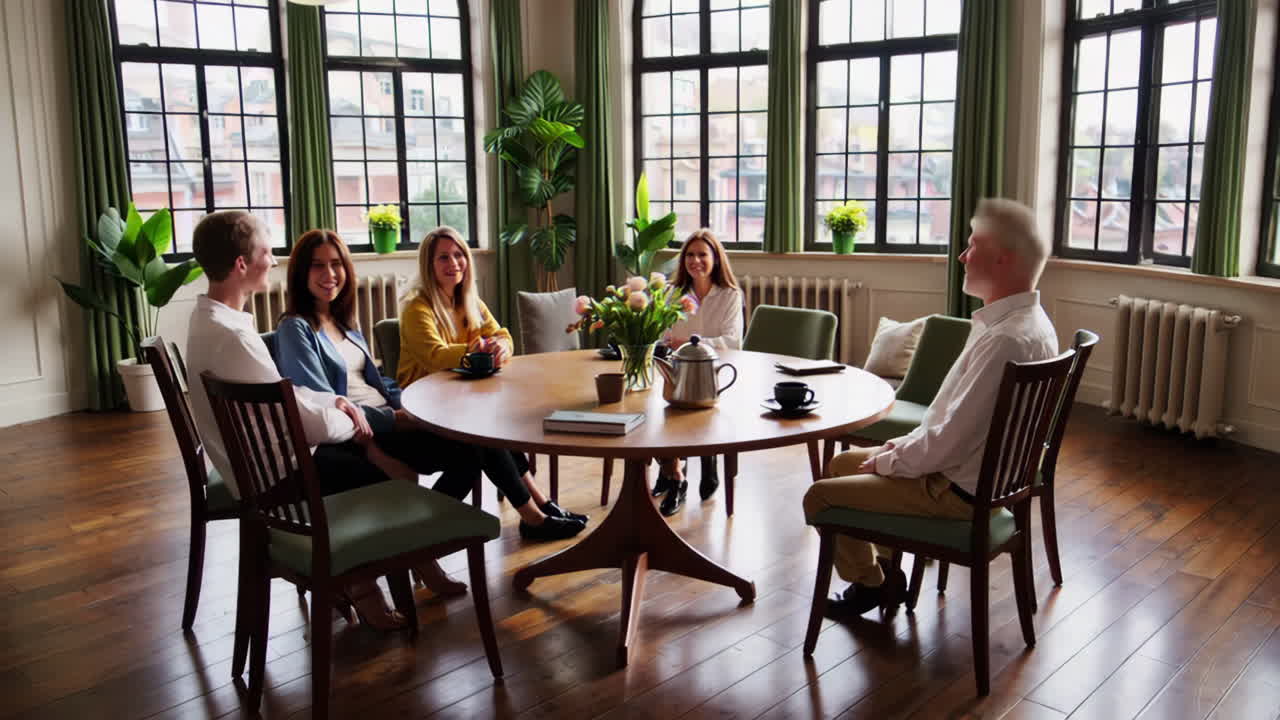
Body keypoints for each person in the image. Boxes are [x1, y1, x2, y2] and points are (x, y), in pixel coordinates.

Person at [802, 198, 1059, 616]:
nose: (962, 255)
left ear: (1001, 259)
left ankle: (869, 585)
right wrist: (898, 449)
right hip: (981, 477)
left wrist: (891, 461)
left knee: (819, 497)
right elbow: (950, 422)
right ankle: (888, 573)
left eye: (972, 245)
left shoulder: (1003, 340)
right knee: (841, 466)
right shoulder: (1031, 325)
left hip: (957, 490)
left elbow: (949, 443)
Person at [185, 211, 407, 630]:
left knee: (362, 454)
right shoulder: (232, 337)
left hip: (253, 463)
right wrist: (351, 417)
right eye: (267, 253)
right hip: (275, 475)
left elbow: (281, 391)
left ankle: (354, 580)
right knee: (382, 475)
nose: (273, 261)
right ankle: (361, 585)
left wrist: (337, 401)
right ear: (241, 265)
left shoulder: (210, 320)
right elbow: (310, 427)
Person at [397, 226, 589, 541]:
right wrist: (473, 350)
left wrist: (501, 346)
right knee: (485, 435)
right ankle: (533, 517)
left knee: (494, 427)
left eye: (459, 255)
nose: (453, 263)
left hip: (460, 402)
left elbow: (502, 334)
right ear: (428, 265)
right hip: (423, 413)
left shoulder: (468, 300)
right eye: (443, 257)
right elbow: (434, 356)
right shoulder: (417, 307)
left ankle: (541, 507)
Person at [653, 228, 744, 516]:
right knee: (652, 412)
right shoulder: (672, 293)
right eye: (690, 255)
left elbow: (733, 342)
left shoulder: (730, 295)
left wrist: (693, 343)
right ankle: (673, 470)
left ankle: (693, 463)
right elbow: (662, 336)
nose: (695, 261)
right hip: (677, 371)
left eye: (702, 254)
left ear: (715, 258)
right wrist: (668, 343)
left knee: (680, 409)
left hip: (718, 374)